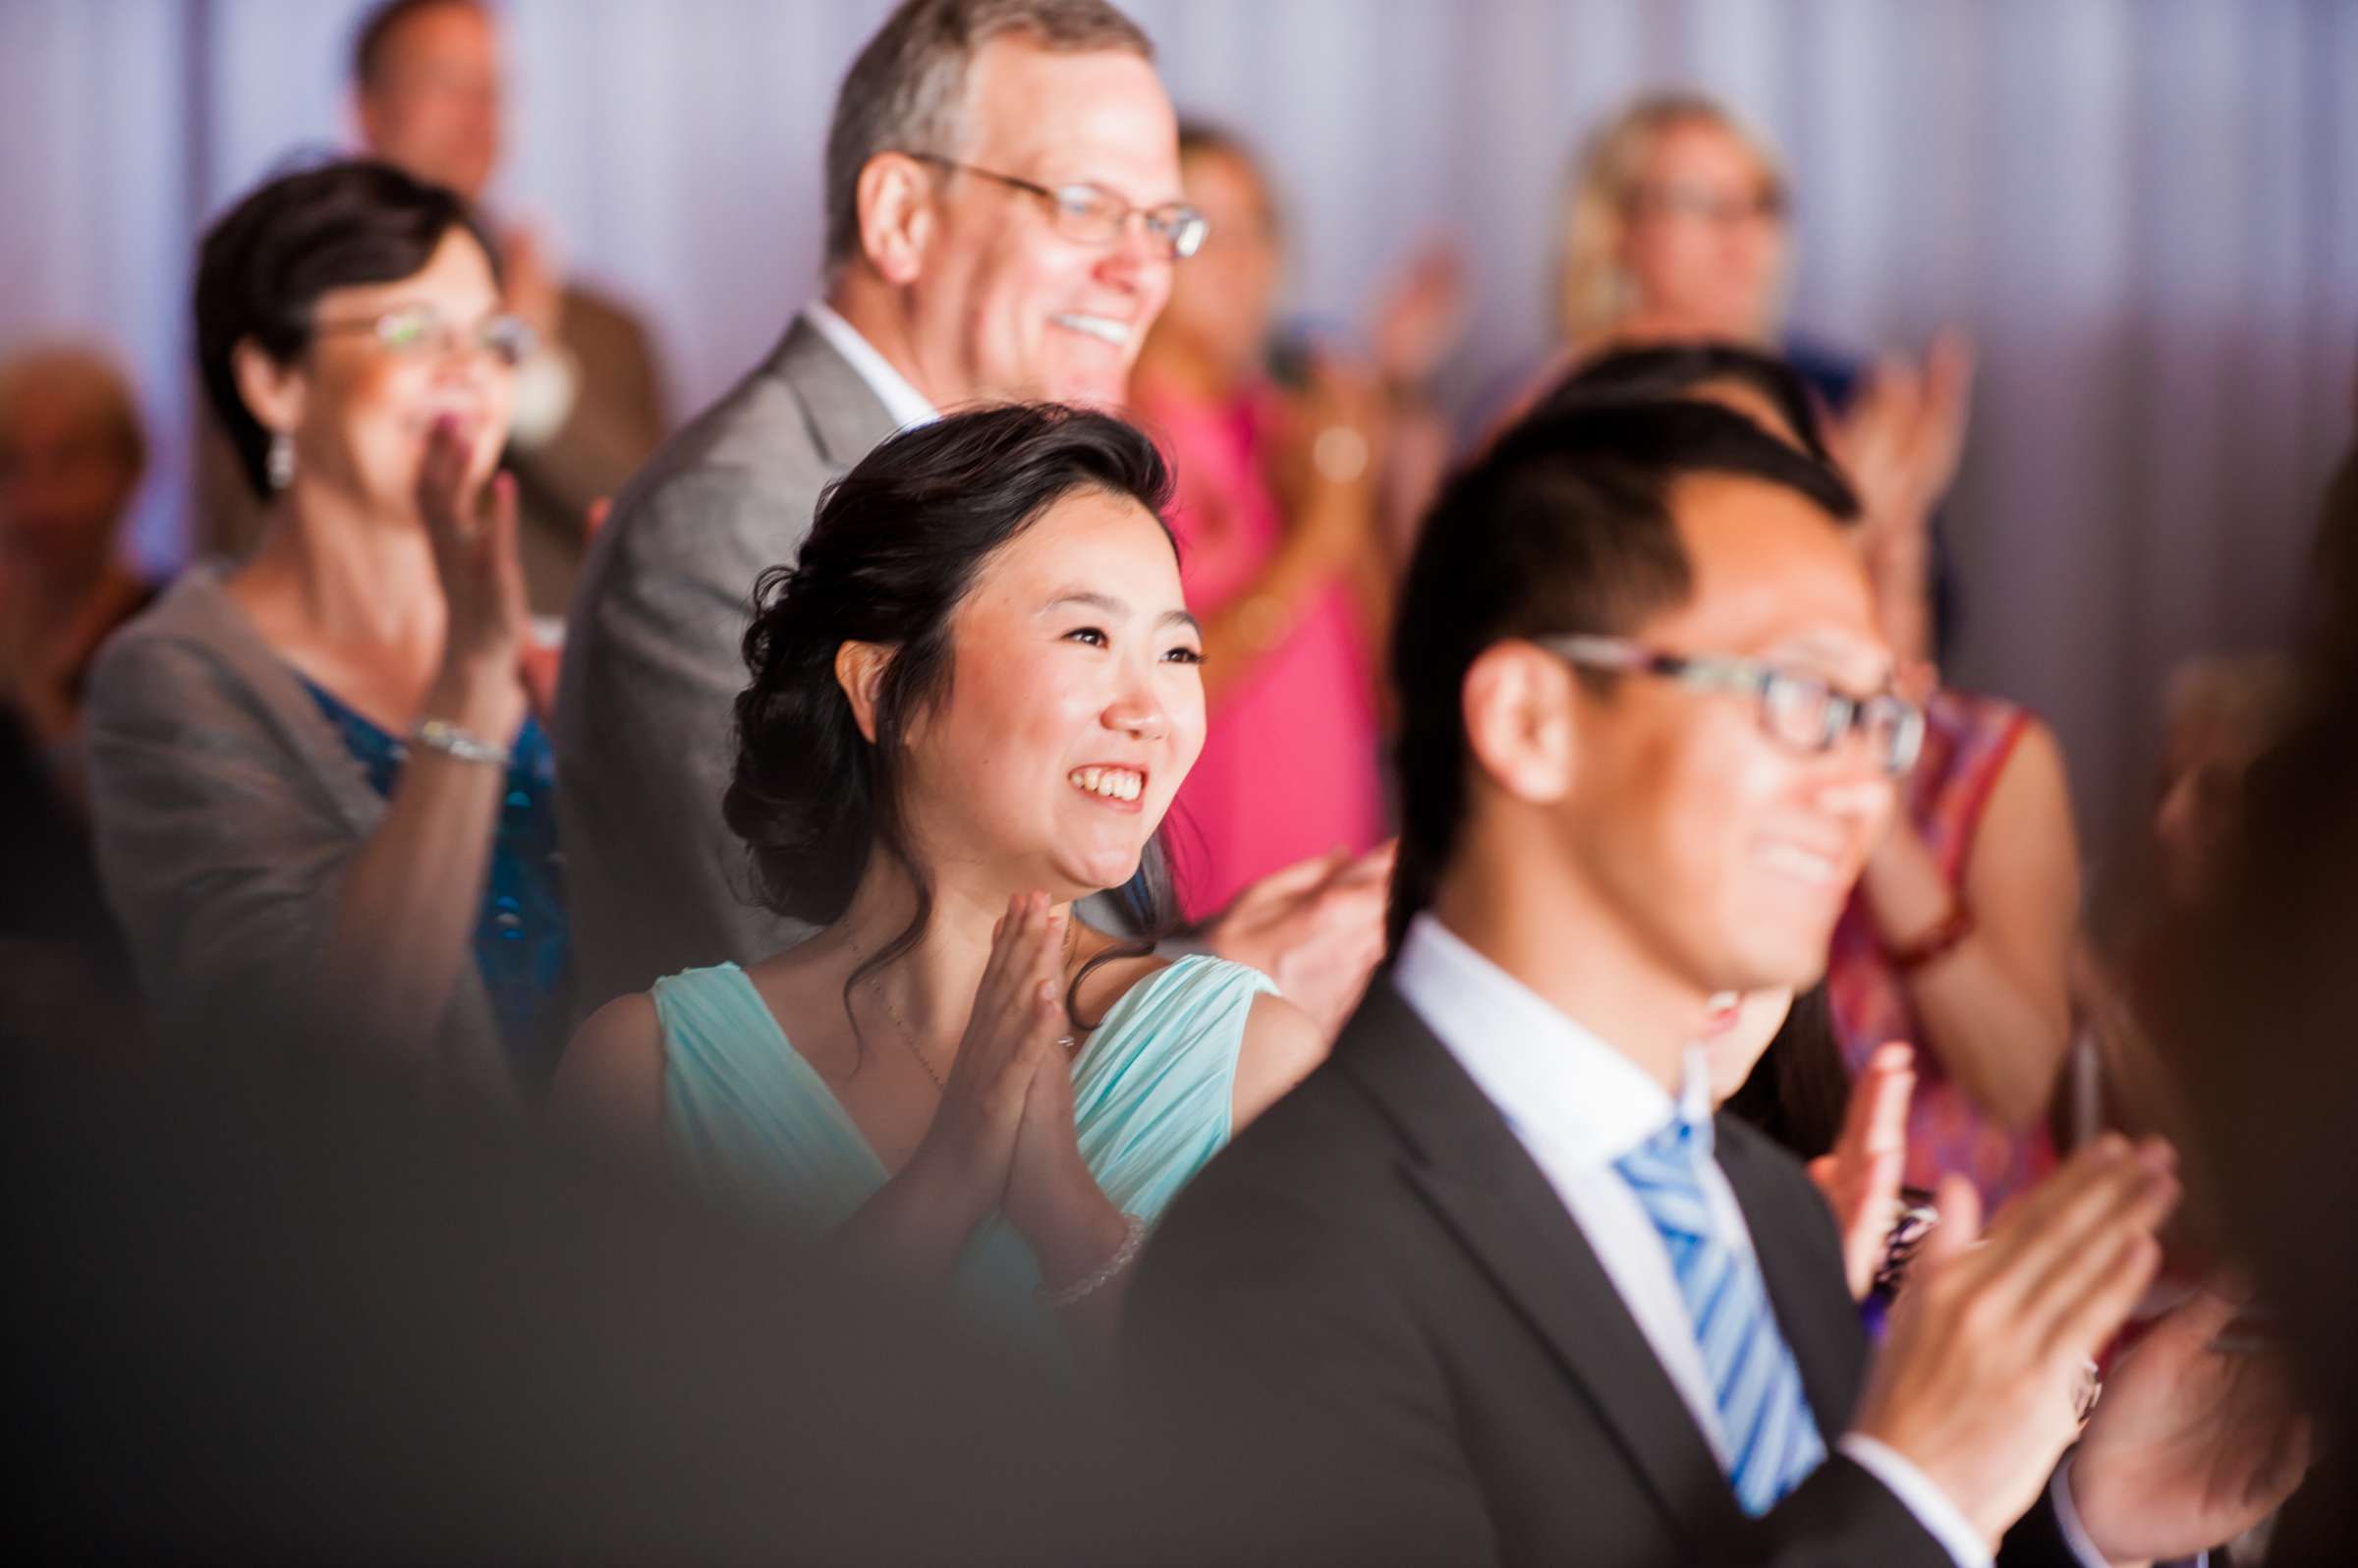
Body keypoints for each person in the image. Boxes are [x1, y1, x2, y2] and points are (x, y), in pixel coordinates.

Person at [1126, 400, 2302, 1564]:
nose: (1858, 790)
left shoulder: (1760, 1199)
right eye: (1798, 700)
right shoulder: (1288, 1249)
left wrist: (2069, 1524)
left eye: (1874, 722)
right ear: (1533, 719)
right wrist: (1918, 1491)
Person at [558, 0, 1387, 1035]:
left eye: (1165, 224)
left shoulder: (1032, 495)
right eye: (1086, 206)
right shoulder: (738, 512)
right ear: (902, 215)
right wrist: (1205, 995)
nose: (1143, 274)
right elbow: (812, 1031)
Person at [555, 404, 1322, 1352]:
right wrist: (948, 1181)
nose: (1151, 710)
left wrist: (1064, 1212)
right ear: (884, 689)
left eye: (1176, 653)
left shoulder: (1253, 1063)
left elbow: (1274, 1462)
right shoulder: (648, 1071)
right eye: (1088, 637)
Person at [1550, 342, 2084, 1216]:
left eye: (1783, 475)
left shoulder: (1975, 756)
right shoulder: (1618, 740)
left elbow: (2019, 1078)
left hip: (1939, 1242)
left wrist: (1849, 756)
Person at [84, 159, 567, 1097]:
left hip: (641, 1224)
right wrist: (472, 683)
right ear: (275, 381)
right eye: (414, 330)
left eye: (493, 337)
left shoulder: (552, 646)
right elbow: (323, 1056)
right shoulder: (170, 675)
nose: (471, 372)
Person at [195, 0, 670, 622]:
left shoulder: (609, 328)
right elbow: (239, 529)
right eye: (446, 85)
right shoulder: (281, 302)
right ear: (367, 109)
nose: (479, 118)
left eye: (494, 90)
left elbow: (666, 534)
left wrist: (532, 371)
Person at [1553, 92, 1971, 666]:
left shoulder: (1839, 391)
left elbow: (1901, 681)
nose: (1742, 234)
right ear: (1619, 225)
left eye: (1762, 204)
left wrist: (1901, 533)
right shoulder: (1559, 406)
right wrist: (1852, 527)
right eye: (1704, 204)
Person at [1127, 123, 1392, 918]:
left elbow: (1379, 684)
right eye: (1204, 230)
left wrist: (1354, 486)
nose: (1242, 262)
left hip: (1329, 862)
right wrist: (1319, 536)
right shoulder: (1114, 448)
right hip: (1201, 890)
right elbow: (1150, 696)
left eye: (1258, 229)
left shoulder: (1290, 428)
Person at [0, 346, 160, 1031]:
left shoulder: (169, 637)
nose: (38, 502)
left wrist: (34, 693)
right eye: (11, 468)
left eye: (67, 464)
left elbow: (154, 845)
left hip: (117, 1021)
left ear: (128, 473)